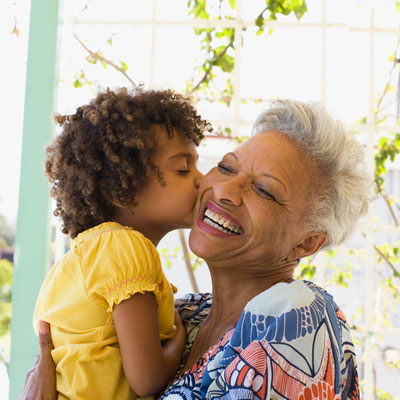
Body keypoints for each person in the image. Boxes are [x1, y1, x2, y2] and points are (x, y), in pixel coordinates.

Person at [20, 99, 373, 399]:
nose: (222, 190)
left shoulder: (294, 321)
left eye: (264, 190)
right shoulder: (184, 313)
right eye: (225, 167)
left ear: (306, 242)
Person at [31, 87, 212, 399]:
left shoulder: (85, 256)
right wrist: (182, 340)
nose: (202, 179)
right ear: (122, 190)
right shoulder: (126, 248)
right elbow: (147, 380)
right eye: (183, 168)